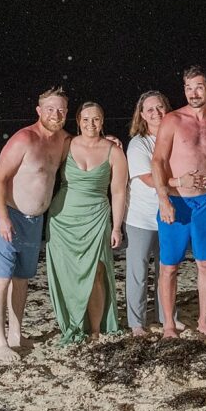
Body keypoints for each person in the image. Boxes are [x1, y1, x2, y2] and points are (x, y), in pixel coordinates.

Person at [0, 87, 70, 362]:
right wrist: (3, 218)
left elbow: (88, 145)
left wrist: (111, 141)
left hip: (35, 221)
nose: (55, 114)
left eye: (61, 110)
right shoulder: (24, 139)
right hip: (8, 214)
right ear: (39, 111)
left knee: (21, 280)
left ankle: (16, 333)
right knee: (1, 279)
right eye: (50, 109)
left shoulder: (62, 140)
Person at [152, 66, 206, 339]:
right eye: (188, 88)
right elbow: (158, 161)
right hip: (177, 202)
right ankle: (169, 325)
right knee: (169, 266)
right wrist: (163, 199)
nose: (193, 93)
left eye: (198, 87)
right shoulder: (172, 120)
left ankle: (204, 321)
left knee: (205, 264)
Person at [46, 101, 128, 345]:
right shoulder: (66, 144)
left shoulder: (114, 151)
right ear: (78, 121)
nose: (90, 124)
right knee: (67, 274)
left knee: (96, 274)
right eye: (85, 119)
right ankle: (72, 324)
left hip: (96, 218)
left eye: (96, 119)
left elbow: (119, 192)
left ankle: (94, 329)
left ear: (103, 122)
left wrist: (116, 227)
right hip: (62, 220)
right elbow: (41, 164)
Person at [123, 90, 188, 337]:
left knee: (167, 269)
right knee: (138, 271)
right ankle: (137, 322)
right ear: (142, 115)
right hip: (141, 217)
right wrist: (182, 182)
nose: (156, 113)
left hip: (171, 213)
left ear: (167, 109)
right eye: (150, 109)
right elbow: (150, 179)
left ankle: (167, 317)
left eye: (160, 107)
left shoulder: (175, 137)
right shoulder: (138, 143)